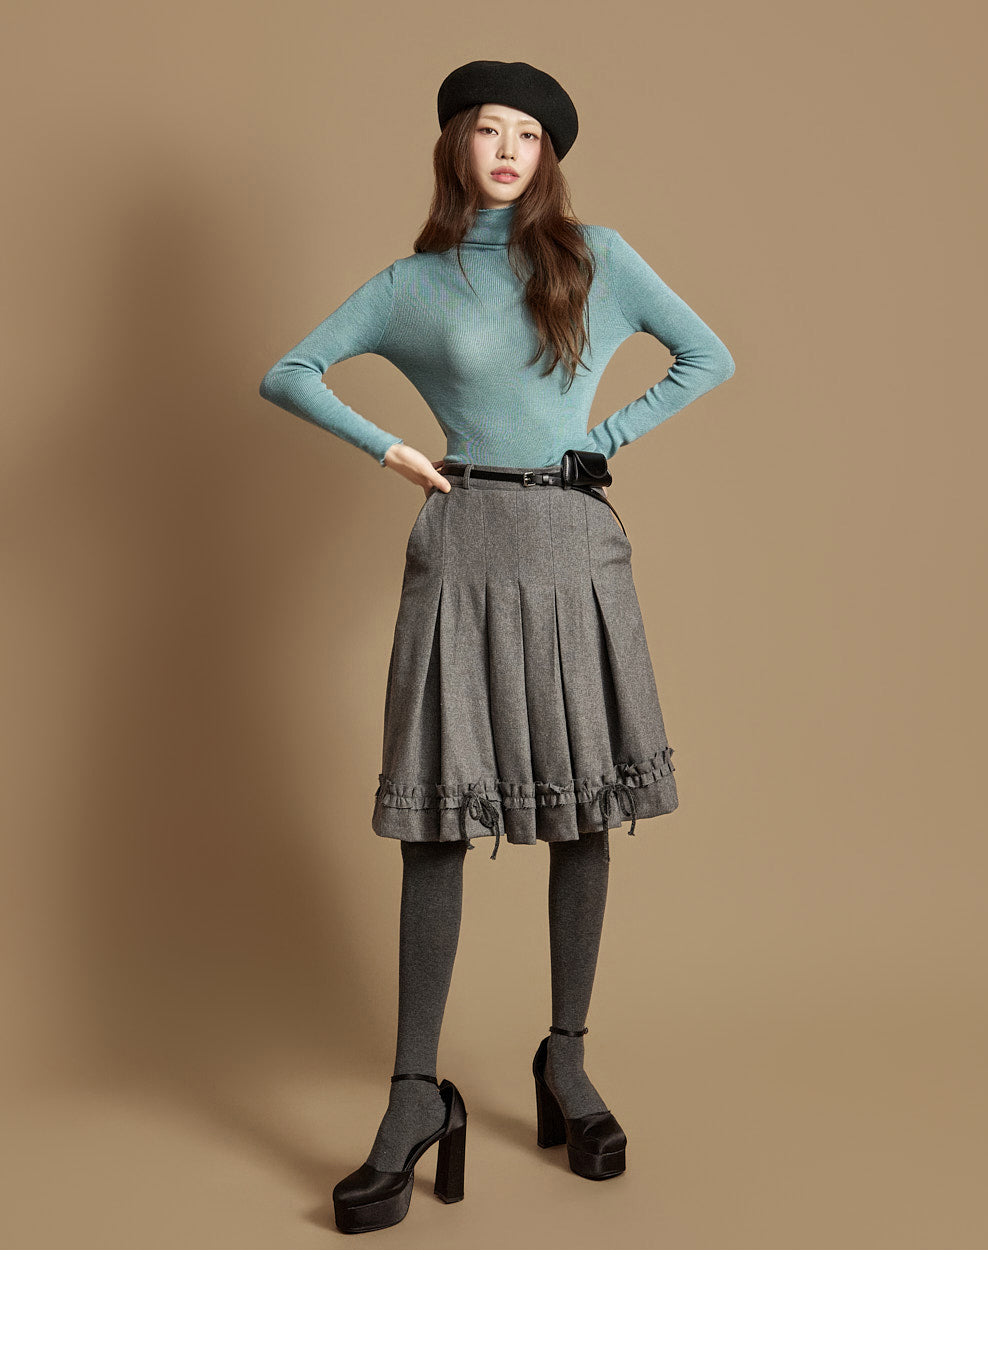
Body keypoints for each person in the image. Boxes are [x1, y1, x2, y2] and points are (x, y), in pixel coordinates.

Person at [259, 59, 735, 1235]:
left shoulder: (595, 259)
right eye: (489, 129)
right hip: (461, 546)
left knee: (584, 811)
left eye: (529, 133)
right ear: (455, 146)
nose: (511, 148)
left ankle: (565, 1060)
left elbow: (706, 356)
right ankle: (413, 1097)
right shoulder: (413, 284)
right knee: (436, 822)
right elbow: (289, 371)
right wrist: (389, 450)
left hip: (574, 547)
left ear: (547, 156)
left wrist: (605, 439)